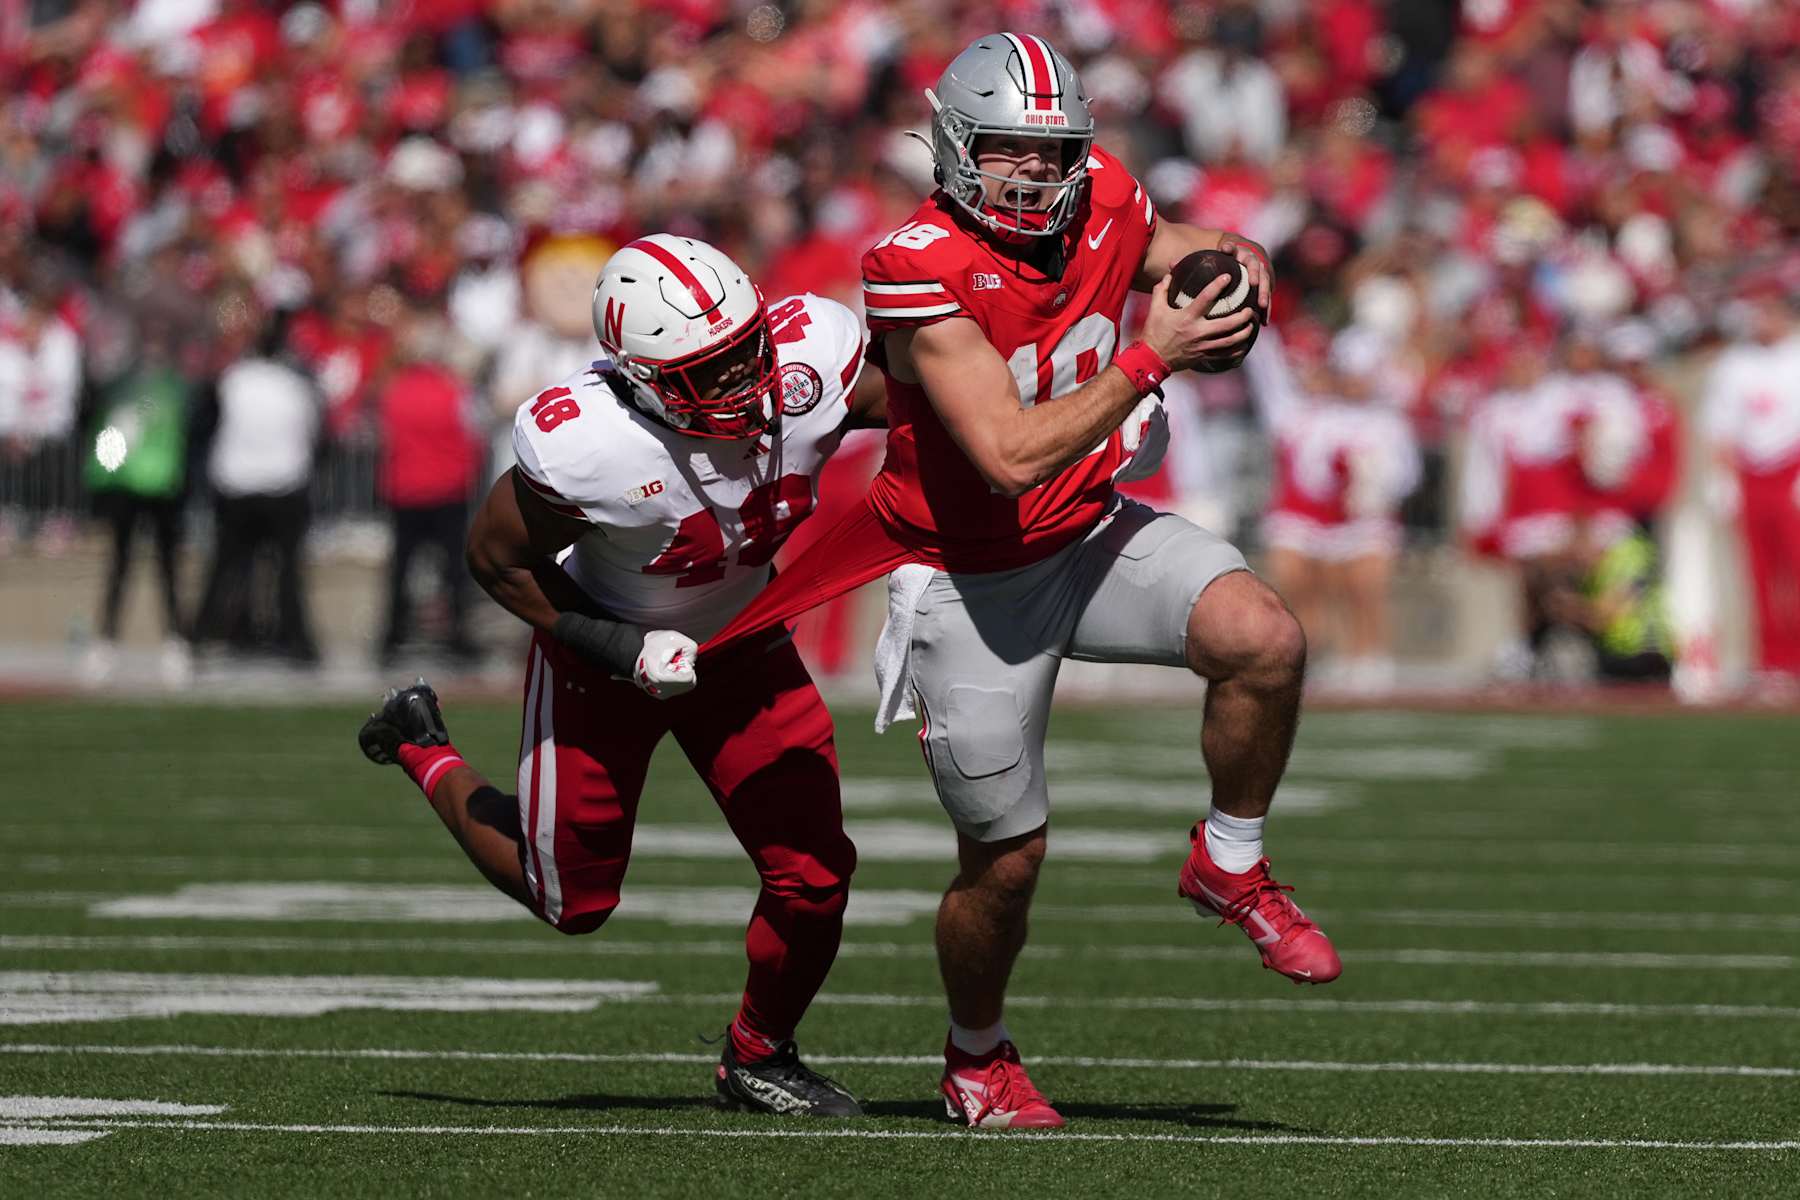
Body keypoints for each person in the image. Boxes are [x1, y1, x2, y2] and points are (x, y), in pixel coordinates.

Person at [698, 33, 1339, 1130]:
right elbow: (1005, 455)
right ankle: (977, 1059)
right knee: (1004, 859)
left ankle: (1230, 863)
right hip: (965, 574)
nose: (1035, 176)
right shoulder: (914, 263)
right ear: (954, 147)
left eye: (1054, 154)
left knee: (1264, 639)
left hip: (1083, 533)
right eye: (1007, 152)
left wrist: (1237, 263)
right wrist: (1154, 359)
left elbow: (1183, 245)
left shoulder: (1107, 202)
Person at [358, 235, 882, 1117]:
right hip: (604, 663)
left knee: (814, 870)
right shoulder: (592, 442)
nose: (747, 380)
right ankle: (424, 747)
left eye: (747, 348)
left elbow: (935, 409)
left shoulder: (806, 362)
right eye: (709, 371)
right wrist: (615, 646)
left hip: (743, 642)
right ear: (642, 379)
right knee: (569, 900)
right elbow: (495, 561)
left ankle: (759, 1054)